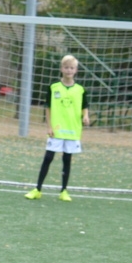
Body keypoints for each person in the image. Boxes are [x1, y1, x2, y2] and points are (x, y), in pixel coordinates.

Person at [25, 54, 90, 202]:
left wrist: (86, 116)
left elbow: (84, 106)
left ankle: (64, 191)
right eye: (66, 67)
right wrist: (49, 126)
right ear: (61, 69)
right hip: (57, 129)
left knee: (67, 159)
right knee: (48, 158)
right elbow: (47, 108)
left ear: (76, 70)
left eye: (71, 68)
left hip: (73, 130)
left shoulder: (80, 89)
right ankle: (37, 189)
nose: (69, 70)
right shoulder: (54, 87)